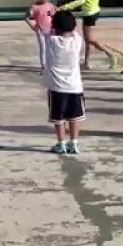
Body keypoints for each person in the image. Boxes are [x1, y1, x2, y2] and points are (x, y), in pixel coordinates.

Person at [59, 0, 117, 70]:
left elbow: (81, 0)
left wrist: (64, 7)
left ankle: (110, 53)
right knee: (87, 38)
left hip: (90, 13)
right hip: (87, 12)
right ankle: (86, 61)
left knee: (90, 39)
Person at [44, 11, 85, 155]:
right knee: (75, 116)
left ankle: (61, 143)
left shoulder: (51, 41)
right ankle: (74, 142)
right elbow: (75, 32)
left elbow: (48, 31)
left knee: (59, 117)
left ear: (55, 27)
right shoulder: (77, 42)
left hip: (56, 87)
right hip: (74, 87)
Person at [25, 0, 56, 74]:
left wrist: (54, 26)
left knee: (50, 48)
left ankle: (51, 65)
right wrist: (32, 27)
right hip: (40, 30)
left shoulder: (50, 5)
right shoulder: (34, 7)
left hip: (50, 30)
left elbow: (53, 16)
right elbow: (26, 17)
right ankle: (43, 66)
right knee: (43, 48)